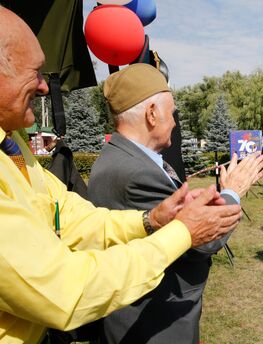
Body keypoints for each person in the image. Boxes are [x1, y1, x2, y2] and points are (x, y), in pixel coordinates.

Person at [0, 7, 247, 343]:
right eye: (34, 72)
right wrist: (197, 219)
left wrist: (151, 220)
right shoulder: (128, 168)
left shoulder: (11, 143)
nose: (44, 86)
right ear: (152, 113)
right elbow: (66, 290)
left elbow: (67, 215)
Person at [86, 64, 263, 343]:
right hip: (153, 320)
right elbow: (200, 241)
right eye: (172, 113)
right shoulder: (136, 172)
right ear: (152, 114)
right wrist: (233, 191)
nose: (173, 121)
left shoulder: (125, 158)